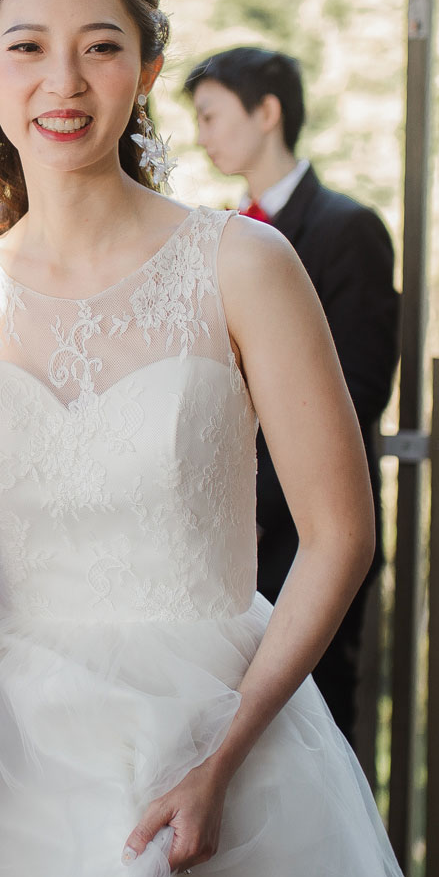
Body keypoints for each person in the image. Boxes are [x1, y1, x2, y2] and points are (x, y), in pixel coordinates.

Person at [0, 0, 408, 877]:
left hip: (223, 721)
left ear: (148, 69)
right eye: (26, 48)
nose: (63, 83)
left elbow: (338, 534)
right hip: (9, 744)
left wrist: (224, 749)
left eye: (99, 48)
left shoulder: (244, 264)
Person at [184, 45, 399, 743]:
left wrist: (256, 504)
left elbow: (361, 384)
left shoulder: (346, 229)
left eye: (212, 114)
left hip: (306, 524)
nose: (202, 133)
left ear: (267, 111)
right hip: (226, 531)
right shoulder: (217, 234)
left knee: (315, 724)